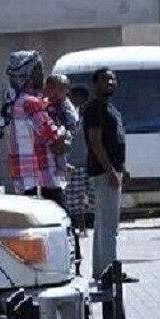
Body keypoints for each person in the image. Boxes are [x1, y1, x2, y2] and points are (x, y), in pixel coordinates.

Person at [85, 68, 137, 283]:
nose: (110, 82)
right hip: (104, 172)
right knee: (109, 225)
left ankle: (101, 270)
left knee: (103, 223)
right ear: (95, 84)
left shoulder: (111, 109)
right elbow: (95, 142)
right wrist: (110, 171)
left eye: (113, 79)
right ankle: (110, 271)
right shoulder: (95, 108)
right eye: (105, 79)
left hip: (113, 170)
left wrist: (122, 169)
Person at [5, 50, 68, 208]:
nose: (43, 75)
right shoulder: (31, 103)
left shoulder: (16, 101)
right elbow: (58, 144)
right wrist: (65, 131)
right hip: (41, 181)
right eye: (39, 69)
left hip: (26, 181)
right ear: (29, 75)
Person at [65, 85, 92, 233]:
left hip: (86, 161)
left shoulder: (86, 117)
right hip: (71, 161)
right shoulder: (65, 116)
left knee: (83, 197)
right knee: (73, 198)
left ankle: (82, 226)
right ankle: (76, 226)